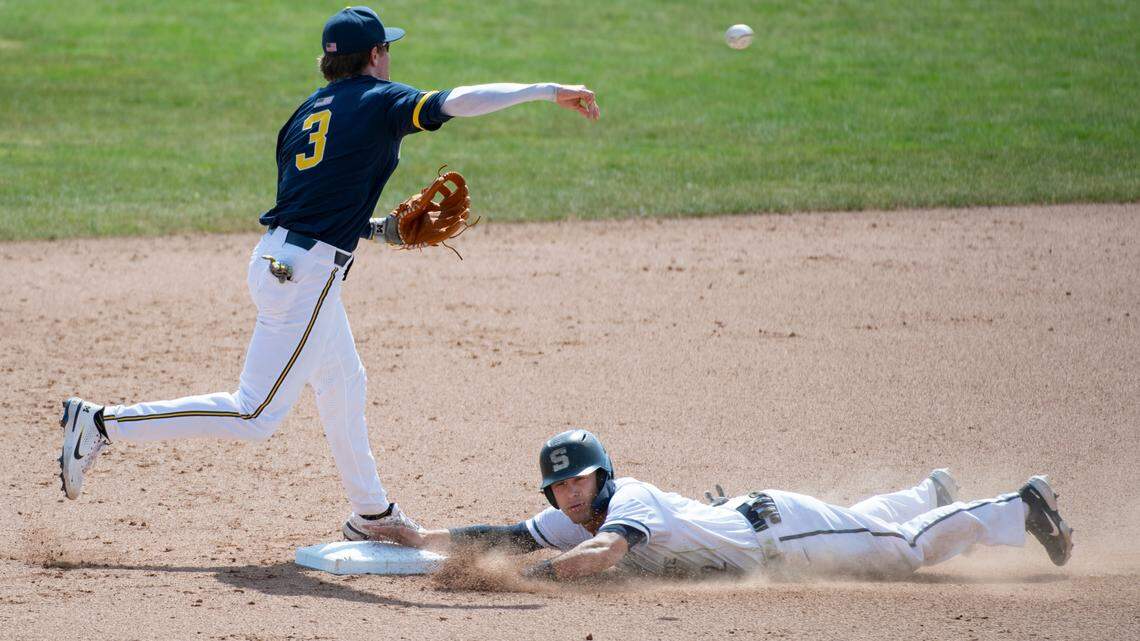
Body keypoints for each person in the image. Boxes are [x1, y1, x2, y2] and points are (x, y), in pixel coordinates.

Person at [57, 6, 601, 541]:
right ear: (376, 55)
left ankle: (372, 513)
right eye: (387, 48)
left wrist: (376, 229)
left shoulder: (303, 114)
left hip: (285, 260)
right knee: (255, 414)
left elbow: (313, 203)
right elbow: (455, 101)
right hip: (306, 275)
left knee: (344, 381)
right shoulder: (381, 98)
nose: (390, 59)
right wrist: (546, 89)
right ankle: (103, 422)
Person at [364, 429, 1075, 580]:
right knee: (871, 524)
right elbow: (511, 534)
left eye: (578, 481)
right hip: (766, 520)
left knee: (900, 553)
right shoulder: (574, 516)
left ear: (602, 477)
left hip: (781, 535)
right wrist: (420, 533)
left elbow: (606, 554)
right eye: (558, 487)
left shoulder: (625, 503)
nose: (567, 495)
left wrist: (533, 579)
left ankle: (1018, 505)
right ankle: (929, 494)